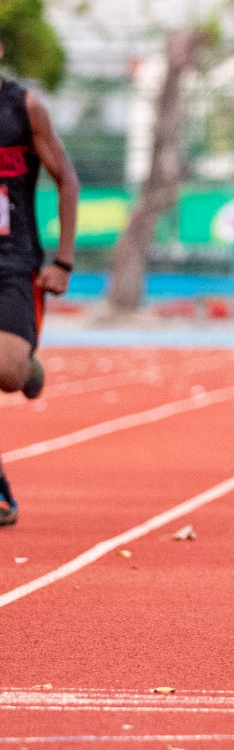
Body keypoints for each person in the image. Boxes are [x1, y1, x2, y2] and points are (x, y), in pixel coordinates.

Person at [0, 53, 80, 527]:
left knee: (7, 374)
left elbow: (66, 180)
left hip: (14, 262)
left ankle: (27, 365)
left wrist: (64, 261)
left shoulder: (23, 107)